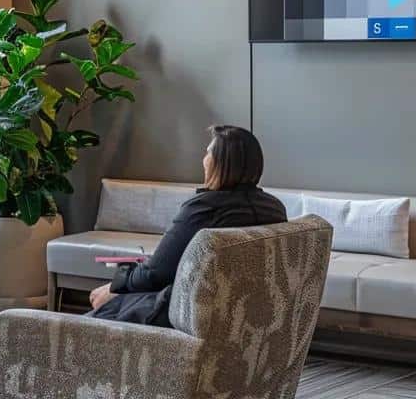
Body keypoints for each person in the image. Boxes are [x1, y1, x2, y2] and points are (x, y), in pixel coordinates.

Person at [88, 124, 288, 328]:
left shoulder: (205, 208)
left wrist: (116, 286)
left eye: (208, 152)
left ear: (222, 162)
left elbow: (155, 274)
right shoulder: (274, 208)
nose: (204, 159)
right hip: (244, 315)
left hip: (185, 312)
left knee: (90, 318)